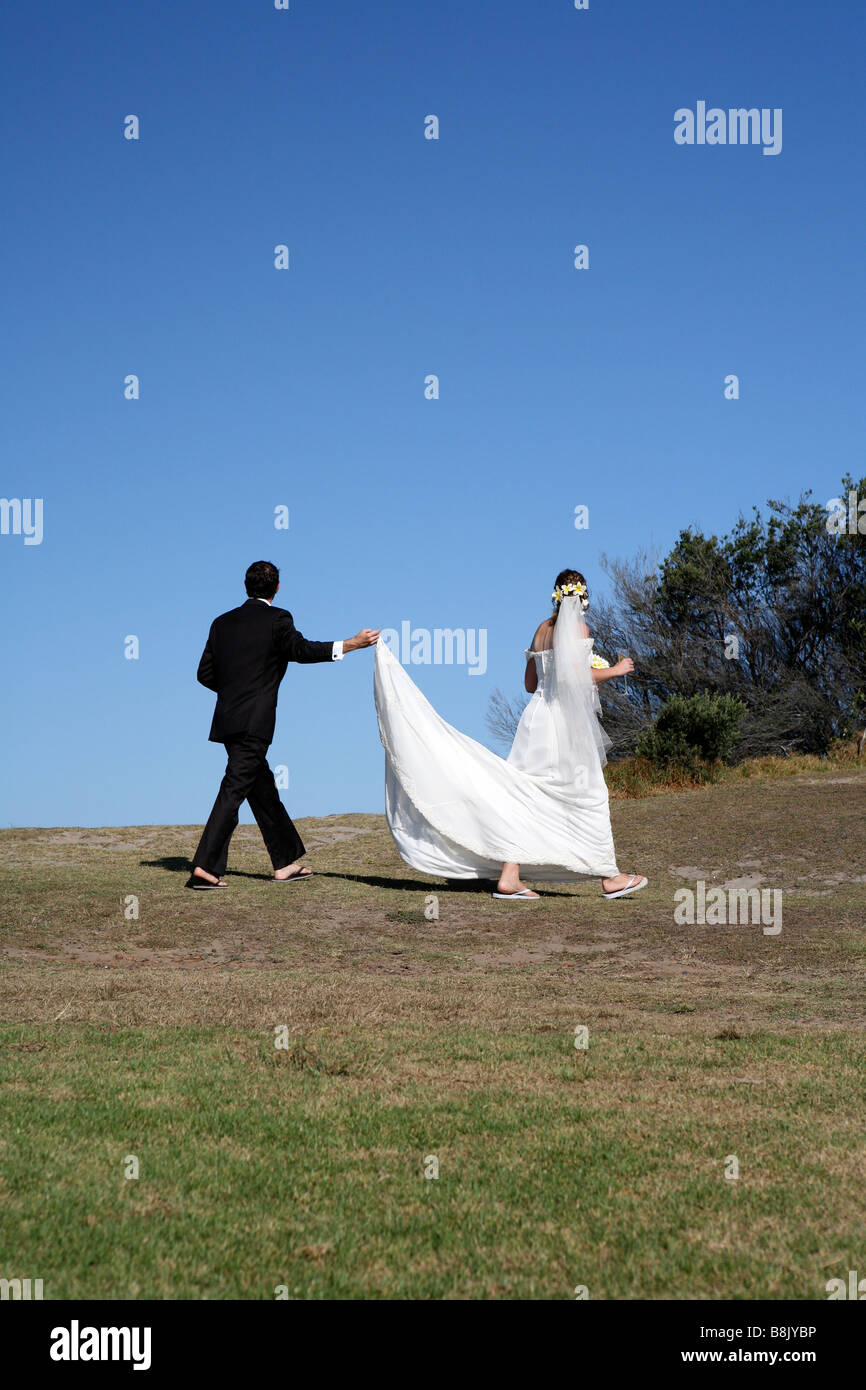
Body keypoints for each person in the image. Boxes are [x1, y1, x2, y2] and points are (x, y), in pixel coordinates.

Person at [373, 568, 647, 900]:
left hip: (536, 721)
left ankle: (511, 875)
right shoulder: (577, 628)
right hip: (564, 725)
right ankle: (610, 877)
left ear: (557, 595)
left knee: (522, 795)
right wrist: (615, 671)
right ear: (583, 596)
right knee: (590, 793)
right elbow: (575, 678)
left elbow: (530, 684)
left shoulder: (542, 630)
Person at [188, 561, 378, 889]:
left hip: (228, 719)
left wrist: (235, 692)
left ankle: (285, 861)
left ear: (246, 586)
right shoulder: (278, 619)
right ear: (277, 588)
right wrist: (350, 644)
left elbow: (204, 674)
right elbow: (301, 651)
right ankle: (206, 866)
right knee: (233, 788)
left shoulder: (221, 623)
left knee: (262, 789)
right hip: (255, 721)